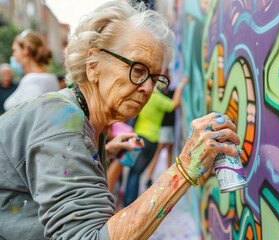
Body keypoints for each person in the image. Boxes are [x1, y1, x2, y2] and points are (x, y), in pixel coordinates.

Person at [0, 1, 241, 240]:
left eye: (155, 78)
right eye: (138, 69)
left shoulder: (88, 124)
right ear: (93, 65)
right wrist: (186, 166)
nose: (148, 87)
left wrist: (96, 154)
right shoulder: (60, 119)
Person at [121, 76, 188, 207]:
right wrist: (181, 84)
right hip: (152, 140)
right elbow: (175, 104)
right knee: (137, 173)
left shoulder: (146, 97)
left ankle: (128, 203)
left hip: (139, 138)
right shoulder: (158, 99)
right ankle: (130, 203)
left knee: (134, 172)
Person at [3, 29, 59, 111]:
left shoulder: (32, 80)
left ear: (25, 50)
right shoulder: (51, 77)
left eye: (14, 50)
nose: (13, 56)